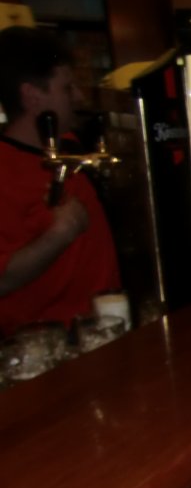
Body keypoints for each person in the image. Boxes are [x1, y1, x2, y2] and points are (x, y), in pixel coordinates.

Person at [0, 25, 120, 337]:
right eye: (67, 88)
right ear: (32, 96)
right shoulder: (4, 169)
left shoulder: (71, 145)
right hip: (47, 345)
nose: (78, 96)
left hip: (105, 327)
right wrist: (59, 234)